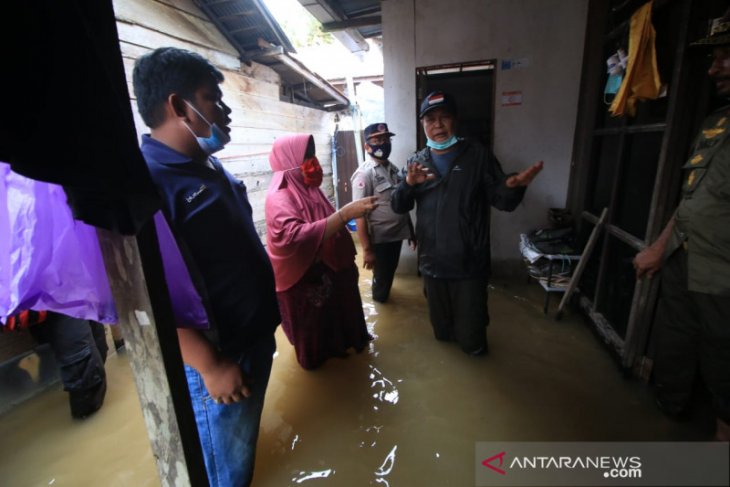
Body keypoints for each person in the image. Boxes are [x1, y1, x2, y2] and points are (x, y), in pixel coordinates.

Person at [132, 47, 281, 486]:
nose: (225, 109)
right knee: (224, 473)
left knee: (239, 456)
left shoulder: (205, 163)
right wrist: (210, 365)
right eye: (213, 97)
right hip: (219, 356)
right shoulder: (150, 185)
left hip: (250, 338)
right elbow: (148, 291)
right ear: (180, 106)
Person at [633, 11, 730, 442]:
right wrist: (660, 247)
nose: (715, 68)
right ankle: (664, 427)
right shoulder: (716, 124)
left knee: (724, 367)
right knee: (675, 348)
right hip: (684, 264)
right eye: (716, 57)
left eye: (727, 57)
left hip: (722, 280)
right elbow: (693, 200)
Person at [391, 91, 543, 356]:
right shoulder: (416, 162)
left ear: (455, 120)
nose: (437, 125)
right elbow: (397, 205)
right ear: (423, 125)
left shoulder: (477, 155)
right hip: (432, 266)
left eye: (444, 117)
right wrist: (407, 185)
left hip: (469, 267)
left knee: (472, 340)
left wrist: (513, 186)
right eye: (430, 119)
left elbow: (501, 199)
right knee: (442, 335)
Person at [265, 134, 377, 370]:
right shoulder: (279, 197)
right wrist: (345, 215)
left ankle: (344, 348)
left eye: (312, 154)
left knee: (338, 317)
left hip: (327, 269)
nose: (312, 161)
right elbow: (292, 236)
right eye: (305, 156)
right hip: (302, 279)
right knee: (313, 330)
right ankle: (319, 365)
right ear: (288, 160)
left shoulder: (310, 189)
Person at [351, 123, 416, 303]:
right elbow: (359, 215)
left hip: (396, 236)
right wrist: (367, 250)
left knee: (389, 272)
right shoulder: (364, 175)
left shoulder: (393, 169)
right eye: (377, 140)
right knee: (381, 283)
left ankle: (384, 298)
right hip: (380, 240)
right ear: (367, 146)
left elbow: (400, 203)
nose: (383, 143)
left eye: (386, 139)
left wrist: (410, 231)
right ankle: (381, 307)